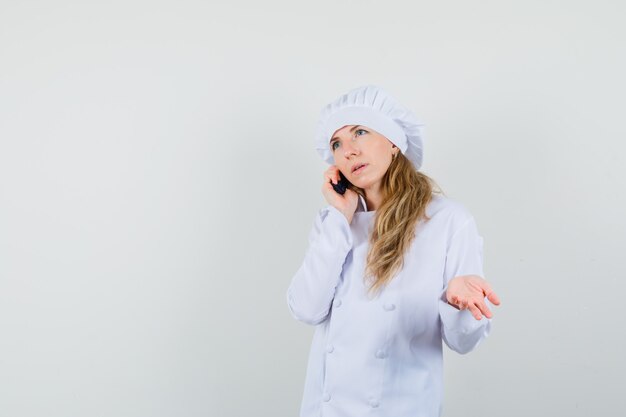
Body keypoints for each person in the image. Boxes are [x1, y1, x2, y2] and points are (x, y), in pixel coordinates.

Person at [286, 85, 501, 417]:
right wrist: (339, 218)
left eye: (360, 131)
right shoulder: (335, 221)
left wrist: (456, 302)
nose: (348, 150)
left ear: (394, 142)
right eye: (336, 143)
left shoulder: (447, 220)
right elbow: (306, 308)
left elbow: (464, 341)